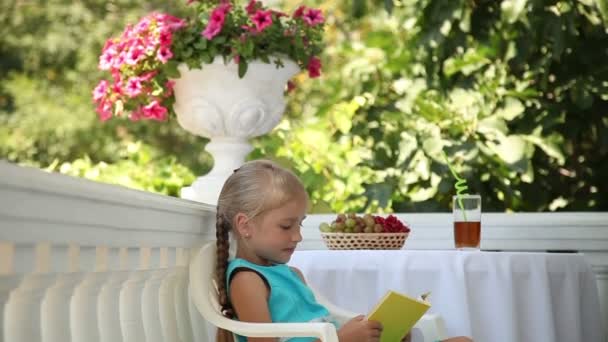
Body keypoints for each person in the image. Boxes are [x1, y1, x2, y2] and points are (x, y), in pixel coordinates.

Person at [214, 159, 472, 342]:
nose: (297, 236)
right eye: (286, 226)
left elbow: (324, 326)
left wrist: (382, 333)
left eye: (299, 224)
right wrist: (341, 339)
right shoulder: (247, 280)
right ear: (245, 225)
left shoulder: (290, 274)